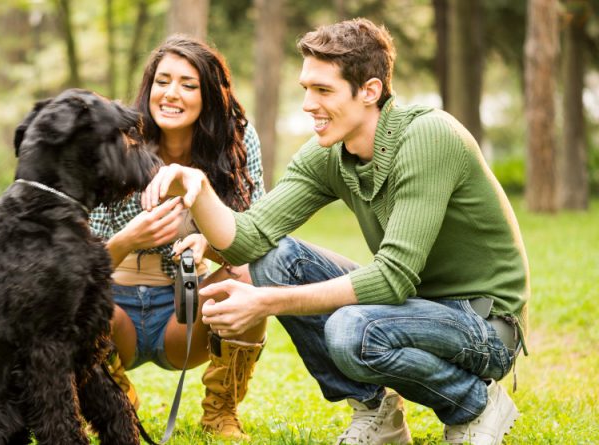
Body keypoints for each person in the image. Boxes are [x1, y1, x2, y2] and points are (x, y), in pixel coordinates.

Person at [142, 18, 529, 445]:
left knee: (352, 330)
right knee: (276, 259)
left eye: (323, 91)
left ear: (370, 91)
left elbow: (392, 277)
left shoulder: (428, 136)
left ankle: (474, 405)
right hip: (418, 309)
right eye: (307, 87)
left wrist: (264, 302)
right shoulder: (329, 153)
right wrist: (196, 187)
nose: (308, 104)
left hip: (485, 324)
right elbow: (249, 238)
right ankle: (375, 411)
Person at [89, 35, 267, 440]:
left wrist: (213, 243)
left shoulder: (236, 139)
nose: (172, 94)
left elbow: (259, 229)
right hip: (116, 315)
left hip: (184, 315)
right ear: (148, 86)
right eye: (162, 81)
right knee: (69, 300)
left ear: (209, 95)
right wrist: (129, 239)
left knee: (248, 278)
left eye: (188, 84)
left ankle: (220, 411)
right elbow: (83, 263)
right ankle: (115, 403)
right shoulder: (117, 141)